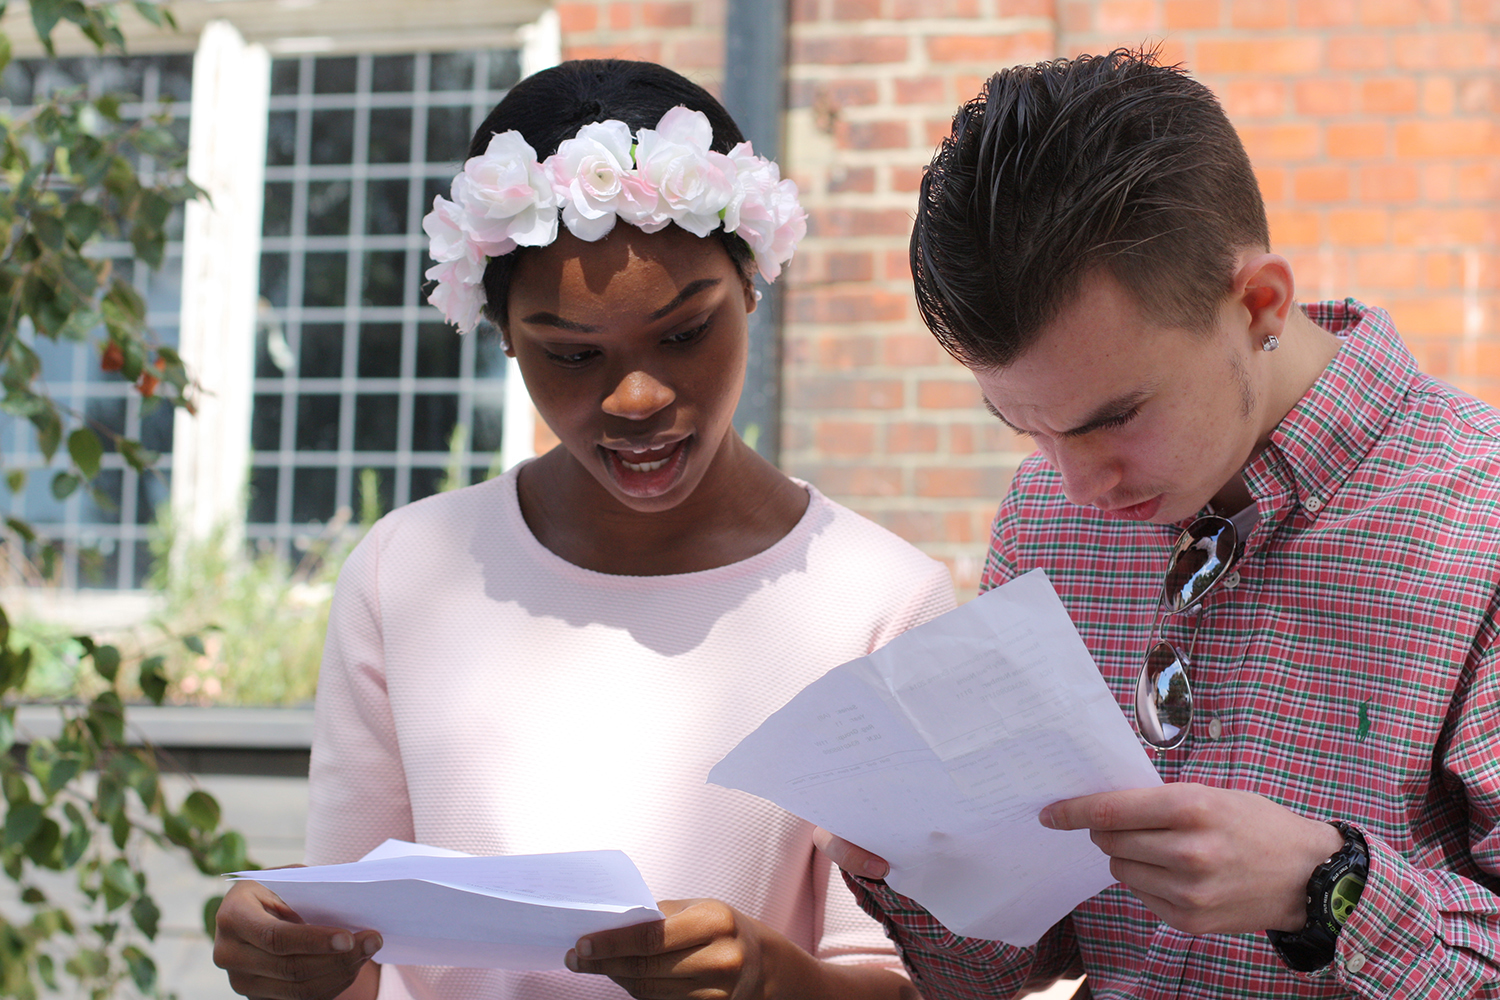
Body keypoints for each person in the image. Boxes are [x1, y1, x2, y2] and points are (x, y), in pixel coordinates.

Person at [212, 59, 955, 1000]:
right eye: (571, 353)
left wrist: (775, 980)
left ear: (753, 284)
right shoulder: (407, 575)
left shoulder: (880, 605)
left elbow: (916, 981)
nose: (637, 397)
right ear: (505, 335)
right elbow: (357, 958)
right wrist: (290, 961)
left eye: (685, 332)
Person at [814, 48, 1500, 999]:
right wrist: (918, 873)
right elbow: (1020, 959)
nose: (1079, 483)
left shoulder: (1478, 518)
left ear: (1259, 302)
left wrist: (1329, 889)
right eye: (1027, 428)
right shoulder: (1044, 519)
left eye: (1114, 418)